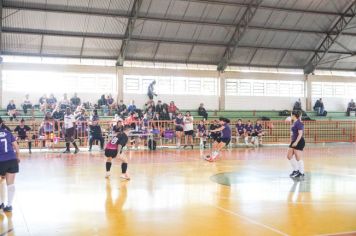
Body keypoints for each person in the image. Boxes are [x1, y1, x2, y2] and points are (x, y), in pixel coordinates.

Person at [0, 117, 20, 212]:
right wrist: (18, 156)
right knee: (10, 184)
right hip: (12, 159)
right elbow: (16, 146)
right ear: (1, 123)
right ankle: (9, 205)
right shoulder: (7, 132)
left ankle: (0, 203)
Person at [287, 111, 305, 178]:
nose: (290, 116)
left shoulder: (299, 123)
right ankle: (296, 170)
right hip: (293, 141)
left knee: (298, 158)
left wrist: (296, 142)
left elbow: (300, 134)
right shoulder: (293, 122)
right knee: (289, 156)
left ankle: (301, 172)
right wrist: (292, 141)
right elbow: (293, 133)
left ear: (294, 115)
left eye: (291, 115)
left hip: (299, 141)